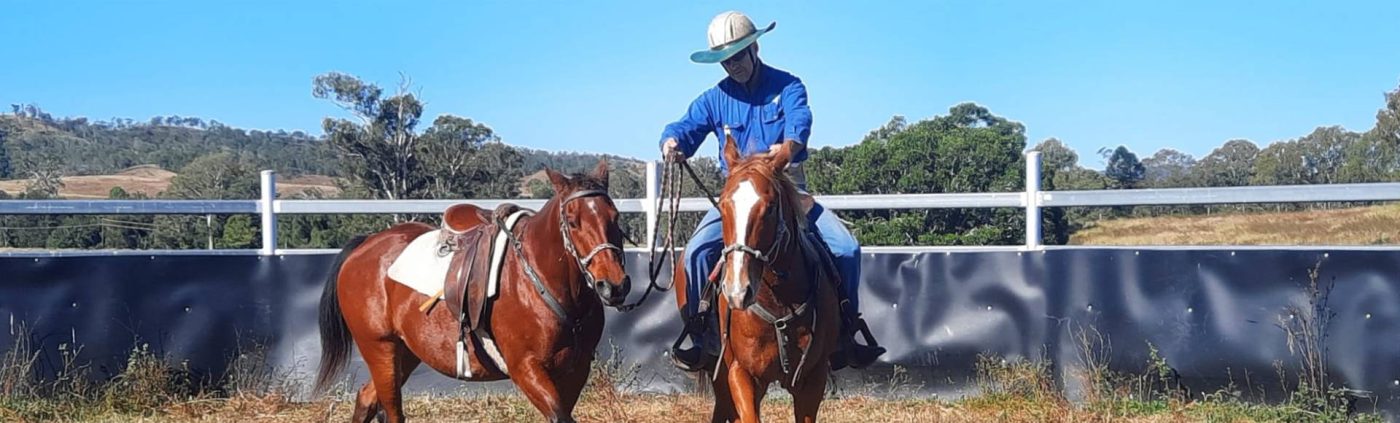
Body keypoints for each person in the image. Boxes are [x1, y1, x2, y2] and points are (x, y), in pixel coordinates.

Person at [660, 11, 885, 372]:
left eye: (737, 56)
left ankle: (845, 333)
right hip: (739, 198)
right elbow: (687, 126)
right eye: (724, 60)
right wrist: (672, 141)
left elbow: (800, 122)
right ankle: (705, 337)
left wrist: (790, 146)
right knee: (697, 253)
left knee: (846, 248)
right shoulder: (713, 99)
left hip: (788, 191)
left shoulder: (788, 86)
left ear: (755, 48)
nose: (732, 65)